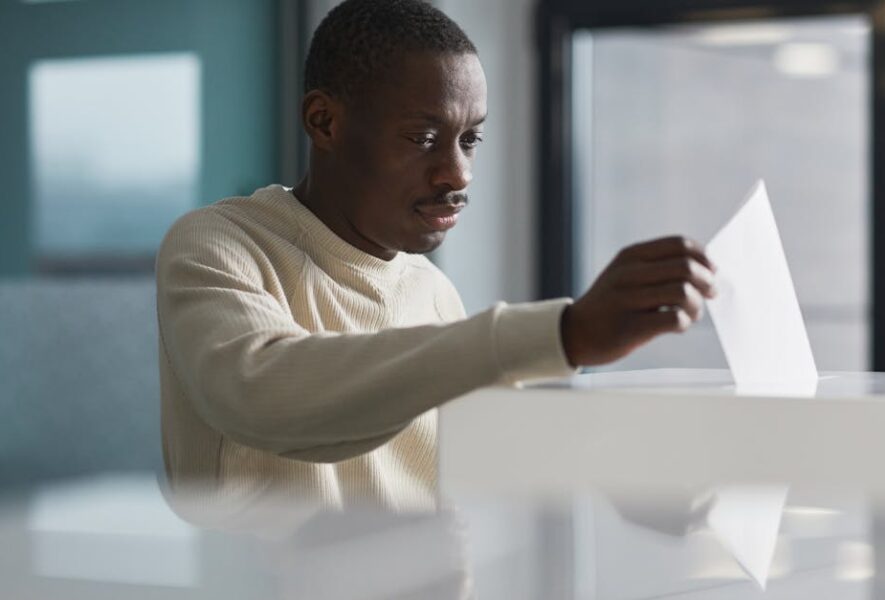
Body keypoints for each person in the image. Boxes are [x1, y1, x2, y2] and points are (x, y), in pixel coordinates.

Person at [156, 0, 717, 520]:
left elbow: (508, 452)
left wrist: (636, 484)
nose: (458, 174)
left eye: (469, 140)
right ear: (325, 122)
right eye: (424, 137)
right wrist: (564, 331)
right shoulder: (219, 245)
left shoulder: (431, 291)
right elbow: (263, 393)